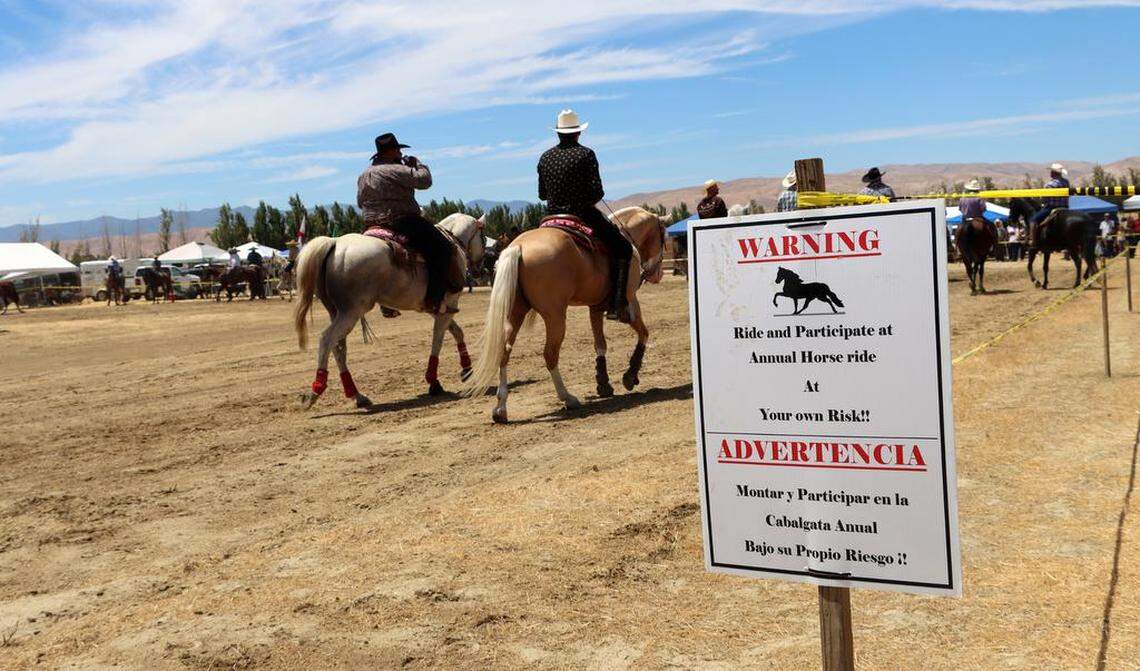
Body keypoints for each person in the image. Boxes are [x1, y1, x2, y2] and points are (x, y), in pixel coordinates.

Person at [537, 109, 634, 321]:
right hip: (582, 214)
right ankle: (617, 304)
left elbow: (542, 194)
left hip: (551, 217)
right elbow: (597, 192)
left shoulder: (545, 157)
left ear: (558, 133)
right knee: (623, 248)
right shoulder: (586, 154)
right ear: (578, 133)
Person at [357, 132, 455, 313]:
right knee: (443, 249)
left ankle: (386, 304)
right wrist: (418, 164)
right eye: (398, 151)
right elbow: (425, 181)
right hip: (400, 220)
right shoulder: (396, 169)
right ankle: (434, 299)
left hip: (371, 224)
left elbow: (359, 202)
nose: (400, 155)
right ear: (392, 151)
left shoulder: (364, 175)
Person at [1030, 162, 1070, 245]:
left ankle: (1033, 241)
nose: (1050, 173)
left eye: (1051, 171)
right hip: (1065, 208)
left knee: (1033, 220)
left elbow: (1045, 199)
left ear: (1053, 173)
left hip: (1051, 207)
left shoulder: (1049, 185)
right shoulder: (1066, 182)